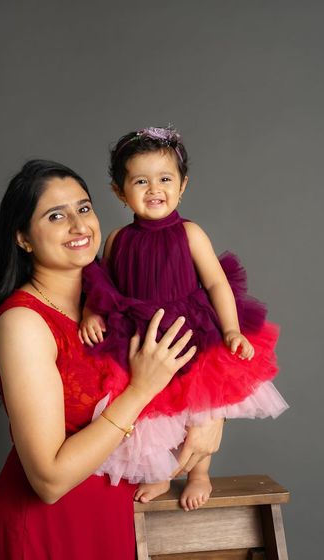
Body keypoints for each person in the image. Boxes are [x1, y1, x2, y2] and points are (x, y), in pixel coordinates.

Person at [0, 159, 224, 560]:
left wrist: (212, 414)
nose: (78, 225)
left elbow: (200, 338)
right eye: (56, 215)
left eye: (84, 208)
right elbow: (49, 481)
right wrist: (140, 390)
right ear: (23, 237)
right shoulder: (24, 323)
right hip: (44, 533)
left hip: (115, 523)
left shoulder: (118, 299)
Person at [79, 127, 289, 511]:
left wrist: (230, 330)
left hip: (191, 330)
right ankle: (158, 471)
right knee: (149, 407)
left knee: (199, 404)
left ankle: (199, 473)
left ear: (182, 185)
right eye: (140, 181)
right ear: (119, 191)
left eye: (164, 179)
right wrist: (93, 312)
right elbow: (102, 286)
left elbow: (216, 283)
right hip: (139, 336)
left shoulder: (189, 233)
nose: (154, 188)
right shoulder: (115, 239)